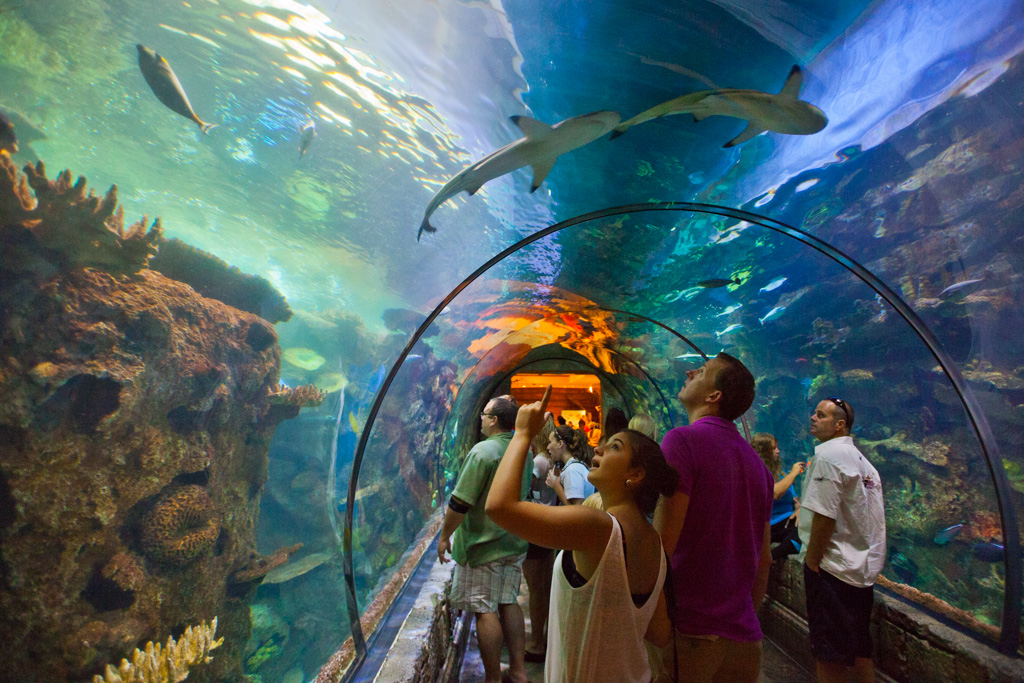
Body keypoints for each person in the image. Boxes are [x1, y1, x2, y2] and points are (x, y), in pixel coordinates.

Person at [486, 385, 679, 683]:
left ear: (635, 474)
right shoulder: (654, 541)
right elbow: (659, 631)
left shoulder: (600, 528)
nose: (598, 448)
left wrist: (523, 433)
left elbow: (499, 507)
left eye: (615, 447)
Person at [653, 353, 774, 683]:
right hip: (745, 637)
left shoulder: (682, 440)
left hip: (691, 631)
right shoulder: (759, 466)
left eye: (702, 371)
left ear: (714, 396)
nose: (690, 371)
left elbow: (661, 544)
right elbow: (764, 560)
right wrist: (736, 617)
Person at [438, 396, 532, 683]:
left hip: (483, 546)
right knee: (508, 601)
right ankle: (517, 671)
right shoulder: (523, 450)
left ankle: (492, 677)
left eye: (484, 413)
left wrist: (444, 536)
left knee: (484, 608)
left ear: (494, 420)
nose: (480, 417)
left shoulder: (483, 452)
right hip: (513, 542)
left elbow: (461, 502)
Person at [799, 398, 885, 683]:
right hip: (859, 571)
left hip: (832, 570)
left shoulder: (829, 456)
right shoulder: (865, 464)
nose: (813, 417)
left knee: (829, 654)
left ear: (839, 425)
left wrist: (812, 562)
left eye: (820, 415)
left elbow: (825, 515)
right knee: (860, 647)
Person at [524, 415, 558, 663]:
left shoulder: (538, 460)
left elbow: (524, 484)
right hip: (546, 525)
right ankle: (542, 637)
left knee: (536, 588)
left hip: (534, 526)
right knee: (543, 587)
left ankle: (536, 643)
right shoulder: (548, 459)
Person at [750, 432, 806, 561]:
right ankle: (768, 559)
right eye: (774, 448)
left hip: (786, 521)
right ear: (763, 451)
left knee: (802, 533)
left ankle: (771, 556)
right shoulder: (756, 472)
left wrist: (799, 509)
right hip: (769, 524)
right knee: (798, 536)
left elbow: (793, 499)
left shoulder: (780, 473)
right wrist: (793, 474)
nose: (778, 451)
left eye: (777, 447)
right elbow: (775, 493)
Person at [545, 425, 595, 505]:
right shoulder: (574, 466)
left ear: (560, 443)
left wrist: (556, 486)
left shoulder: (572, 470)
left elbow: (577, 510)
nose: (548, 447)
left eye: (550, 442)